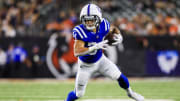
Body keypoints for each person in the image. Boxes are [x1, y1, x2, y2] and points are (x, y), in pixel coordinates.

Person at [65, 4, 144, 101]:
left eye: (92, 20)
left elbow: (114, 28)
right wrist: (94, 47)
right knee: (79, 94)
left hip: (101, 60)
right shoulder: (80, 30)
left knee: (120, 76)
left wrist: (119, 36)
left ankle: (131, 93)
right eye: (87, 20)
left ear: (98, 19)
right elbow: (77, 52)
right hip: (85, 66)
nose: (89, 23)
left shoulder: (104, 24)